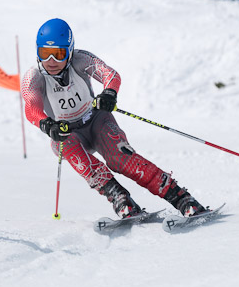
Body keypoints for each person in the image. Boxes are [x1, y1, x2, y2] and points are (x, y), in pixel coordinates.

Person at [21, 18, 210, 218]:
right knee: (62, 145)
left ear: (70, 50)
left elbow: (110, 75)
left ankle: (181, 198)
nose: (51, 61)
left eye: (58, 54)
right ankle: (121, 199)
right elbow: (31, 105)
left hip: (96, 121)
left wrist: (109, 93)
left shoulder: (80, 60)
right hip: (67, 132)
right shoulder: (33, 77)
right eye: (44, 53)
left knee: (120, 159)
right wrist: (47, 124)